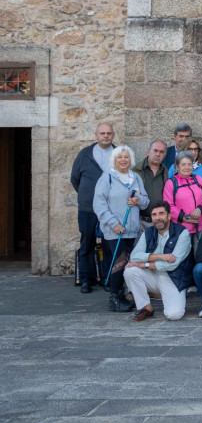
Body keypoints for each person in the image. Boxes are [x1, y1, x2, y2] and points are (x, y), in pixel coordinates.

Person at [92, 145, 150, 312]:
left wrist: (137, 200)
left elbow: (145, 201)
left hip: (132, 229)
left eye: (126, 157)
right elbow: (99, 204)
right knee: (119, 262)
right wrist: (113, 223)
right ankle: (114, 297)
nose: (123, 160)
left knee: (127, 263)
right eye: (119, 157)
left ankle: (122, 294)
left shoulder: (136, 178)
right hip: (115, 230)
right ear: (114, 160)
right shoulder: (107, 178)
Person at [123, 201, 192, 322]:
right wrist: (161, 256)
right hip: (152, 275)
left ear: (169, 216)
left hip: (172, 278)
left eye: (161, 214)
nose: (158, 218)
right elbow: (134, 256)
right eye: (154, 215)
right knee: (130, 271)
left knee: (174, 315)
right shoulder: (148, 232)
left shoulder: (182, 233)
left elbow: (172, 265)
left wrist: (144, 264)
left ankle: (172, 294)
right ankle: (146, 308)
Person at [70, 122, 116, 293]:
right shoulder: (85, 154)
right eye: (102, 133)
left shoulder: (118, 154)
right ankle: (86, 279)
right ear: (96, 135)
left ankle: (108, 278)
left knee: (109, 243)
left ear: (113, 135)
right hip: (88, 208)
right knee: (87, 243)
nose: (105, 136)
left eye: (108, 133)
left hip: (110, 209)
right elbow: (75, 179)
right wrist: (87, 195)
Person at [163, 151, 202, 252]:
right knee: (181, 258)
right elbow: (168, 206)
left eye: (189, 164)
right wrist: (185, 217)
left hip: (200, 226)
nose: (187, 167)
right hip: (180, 228)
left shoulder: (199, 180)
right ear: (176, 167)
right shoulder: (171, 183)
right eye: (183, 164)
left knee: (200, 256)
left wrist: (200, 209)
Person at [138, 140, 168, 233]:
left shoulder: (166, 172)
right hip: (140, 222)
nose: (158, 154)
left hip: (160, 222)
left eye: (161, 152)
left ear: (165, 155)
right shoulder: (136, 171)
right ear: (148, 151)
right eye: (155, 150)